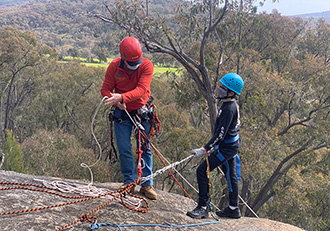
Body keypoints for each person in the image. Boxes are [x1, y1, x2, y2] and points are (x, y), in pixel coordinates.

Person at [100, 36, 157, 200]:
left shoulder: (146, 65)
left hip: (141, 110)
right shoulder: (114, 66)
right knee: (124, 147)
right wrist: (116, 102)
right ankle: (129, 182)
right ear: (123, 58)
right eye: (130, 64)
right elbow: (105, 89)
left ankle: (146, 184)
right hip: (121, 112)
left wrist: (122, 98)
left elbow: (141, 90)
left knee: (144, 148)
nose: (133, 67)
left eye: (135, 64)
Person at [186, 73, 244, 219]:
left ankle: (203, 207)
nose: (219, 89)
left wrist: (205, 149)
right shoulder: (230, 105)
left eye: (223, 88)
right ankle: (233, 208)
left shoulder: (228, 109)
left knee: (202, 170)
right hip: (231, 146)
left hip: (227, 148)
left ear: (231, 92)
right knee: (231, 175)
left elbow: (220, 134)